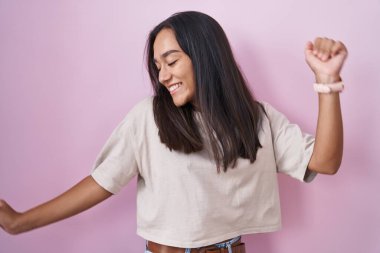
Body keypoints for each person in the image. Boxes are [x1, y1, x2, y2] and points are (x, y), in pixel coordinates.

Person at [0, 11, 347, 253]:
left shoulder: (256, 119)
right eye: (157, 66)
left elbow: (325, 162)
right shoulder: (148, 118)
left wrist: (327, 81)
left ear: (205, 56)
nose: (163, 76)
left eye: (172, 60)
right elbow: (102, 181)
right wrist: (20, 223)